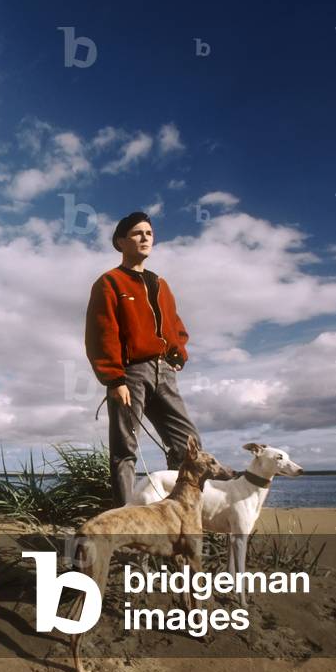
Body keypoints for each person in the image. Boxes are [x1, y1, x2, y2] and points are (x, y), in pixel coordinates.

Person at [84, 210, 202, 508]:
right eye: (137, 233)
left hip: (165, 372)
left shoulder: (161, 284)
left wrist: (179, 353)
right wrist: (114, 379)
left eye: (149, 233)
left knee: (188, 445)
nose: (145, 237)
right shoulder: (109, 283)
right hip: (129, 374)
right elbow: (101, 334)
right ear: (121, 242)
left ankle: (177, 512)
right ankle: (124, 519)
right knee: (125, 449)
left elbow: (175, 325)